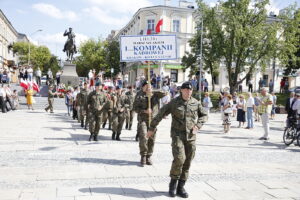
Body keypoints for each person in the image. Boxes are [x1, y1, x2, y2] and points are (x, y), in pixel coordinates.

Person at [146, 82, 207, 198]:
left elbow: (204, 115)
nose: (189, 92)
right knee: (179, 158)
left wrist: (198, 125)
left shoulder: (195, 102)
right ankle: (173, 185)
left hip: (191, 136)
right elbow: (160, 113)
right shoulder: (174, 103)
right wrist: (152, 127)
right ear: (181, 91)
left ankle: (181, 187)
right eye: (186, 90)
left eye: (190, 90)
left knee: (188, 161)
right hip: (177, 135)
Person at [133, 80, 166, 166]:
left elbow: (165, 93)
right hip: (143, 119)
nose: (148, 87)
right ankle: (143, 155)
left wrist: (152, 91)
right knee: (144, 136)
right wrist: (144, 111)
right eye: (146, 86)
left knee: (152, 138)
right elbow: (135, 108)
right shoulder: (139, 95)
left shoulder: (155, 94)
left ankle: (148, 156)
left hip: (153, 120)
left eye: (149, 86)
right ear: (143, 86)